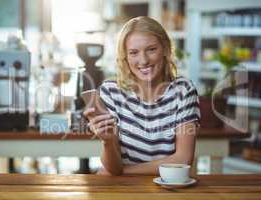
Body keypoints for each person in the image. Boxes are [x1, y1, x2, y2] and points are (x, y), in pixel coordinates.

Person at [84, 16, 200, 176]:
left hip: (165, 186)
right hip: (122, 189)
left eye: (151, 49)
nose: (143, 60)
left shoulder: (184, 90)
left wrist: (124, 171)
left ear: (165, 49)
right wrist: (108, 141)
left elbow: (183, 159)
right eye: (133, 53)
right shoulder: (111, 92)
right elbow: (113, 166)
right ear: (125, 56)